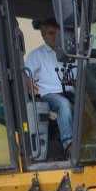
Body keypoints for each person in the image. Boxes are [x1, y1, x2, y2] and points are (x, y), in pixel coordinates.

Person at [25, 18, 73, 155]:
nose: (54, 36)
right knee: (64, 104)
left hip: (69, 91)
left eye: (57, 33)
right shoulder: (36, 55)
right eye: (51, 33)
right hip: (49, 95)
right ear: (43, 35)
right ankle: (69, 144)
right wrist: (28, 83)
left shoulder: (68, 53)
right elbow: (25, 74)